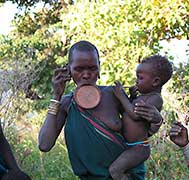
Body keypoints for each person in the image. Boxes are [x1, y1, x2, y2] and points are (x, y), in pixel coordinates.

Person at [38, 40, 162, 179]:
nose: (86, 75)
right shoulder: (66, 104)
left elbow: (139, 135)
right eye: (79, 69)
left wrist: (156, 120)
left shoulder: (114, 95)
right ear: (68, 70)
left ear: (99, 69)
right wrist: (56, 96)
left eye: (92, 68)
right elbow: (44, 145)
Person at [109, 55, 173, 180]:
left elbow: (134, 114)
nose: (136, 81)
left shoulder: (155, 99)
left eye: (141, 78)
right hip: (128, 145)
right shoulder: (141, 97)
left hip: (139, 147)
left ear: (155, 81)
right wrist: (131, 97)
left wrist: (121, 96)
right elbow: (126, 111)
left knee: (115, 171)